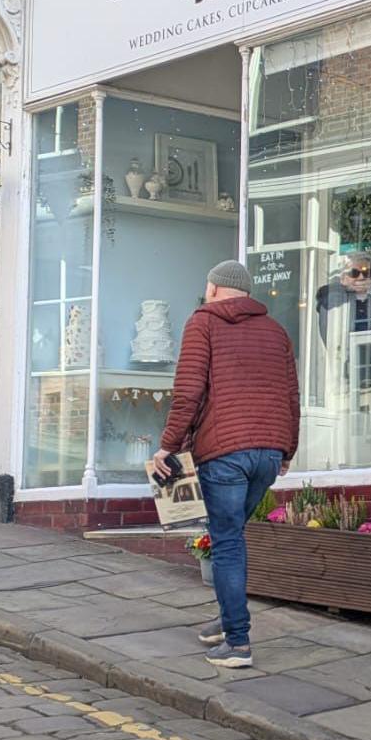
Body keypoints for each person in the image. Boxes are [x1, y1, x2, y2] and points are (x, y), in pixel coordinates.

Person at [148, 260, 300, 670]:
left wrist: (168, 446)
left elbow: (188, 391)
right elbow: (291, 396)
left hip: (225, 454)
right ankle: (226, 619)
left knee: (228, 541)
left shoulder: (204, 322)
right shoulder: (277, 331)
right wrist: (287, 451)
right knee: (231, 535)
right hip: (267, 453)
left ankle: (237, 642)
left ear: (214, 289)